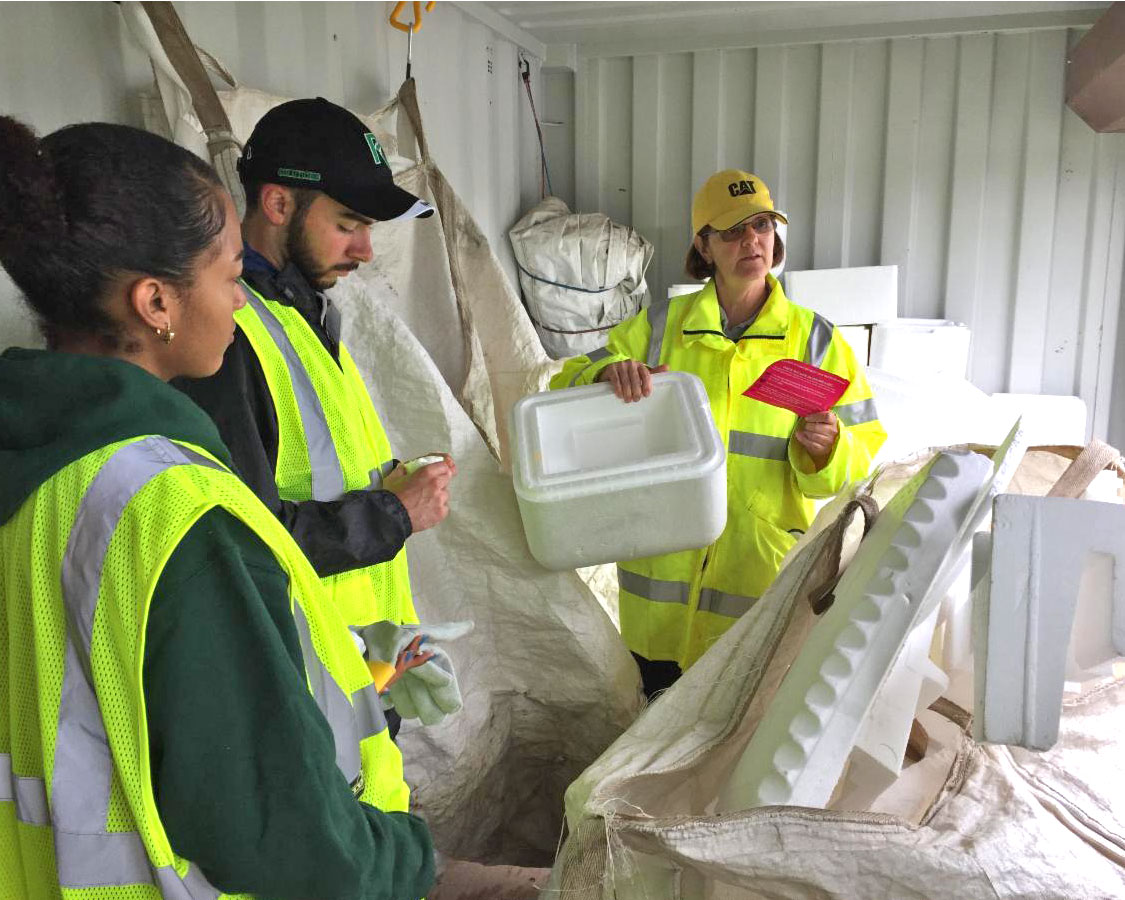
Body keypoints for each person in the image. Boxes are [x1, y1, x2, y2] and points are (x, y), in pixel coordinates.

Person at [0, 117, 433, 898]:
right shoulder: (176, 514)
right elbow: (290, 841)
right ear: (156, 300)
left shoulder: (35, 464)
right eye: (231, 275)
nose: (241, 301)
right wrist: (415, 858)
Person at [175, 98, 466, 733]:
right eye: (349, 223)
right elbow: (242, 543)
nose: (365, 250)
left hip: (357, 665)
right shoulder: (228, 341)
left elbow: (313, 469)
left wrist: (389, 480)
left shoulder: (303, 313)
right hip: (300, 691)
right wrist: (395, 511)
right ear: (279, 205)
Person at [552, 169, 887, 698]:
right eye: (731, 231)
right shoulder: (660, 328)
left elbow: (861, 459)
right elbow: (563, 382)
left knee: (730, 742)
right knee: (646, 730)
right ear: (703, 246)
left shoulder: (817, 341)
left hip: (755, 584)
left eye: (761, 225)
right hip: (658, 590)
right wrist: (602, 374)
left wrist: (829, 452)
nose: (750, 241)